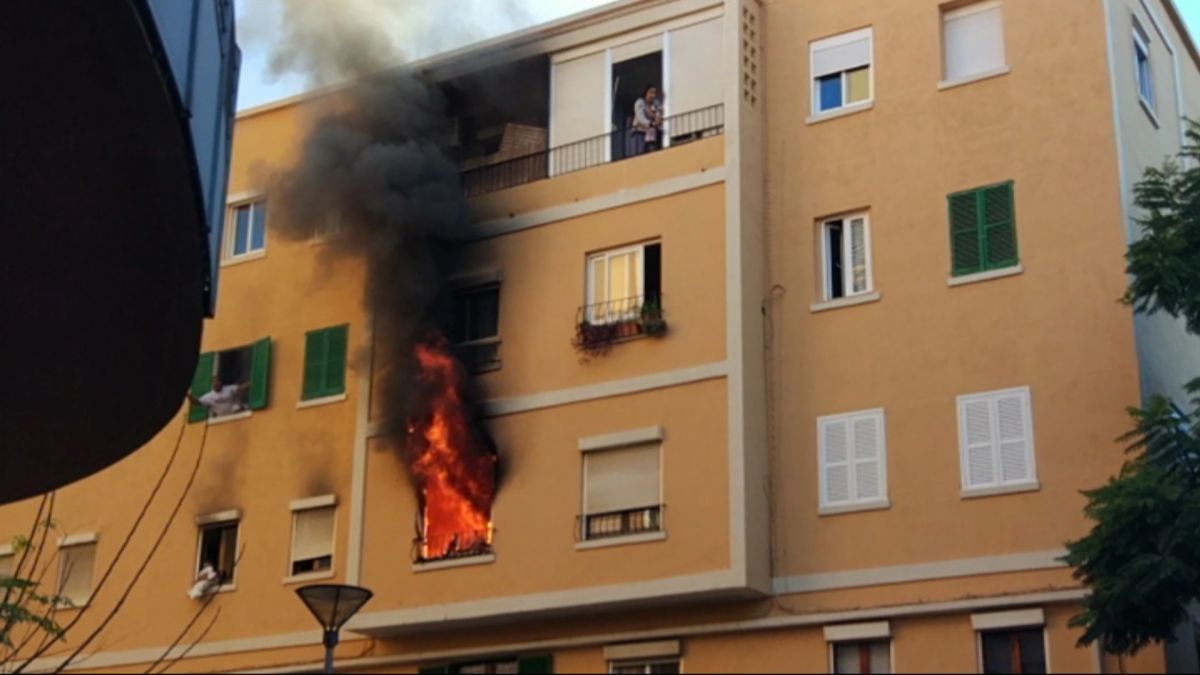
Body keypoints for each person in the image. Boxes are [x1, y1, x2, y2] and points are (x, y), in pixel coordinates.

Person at [631, 84, 664, 155]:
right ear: (646, 93)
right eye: (651, 93)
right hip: (639, 132)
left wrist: (658, 117)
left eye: (655, 93)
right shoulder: (640, 103)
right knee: (640, 154)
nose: (653, 95)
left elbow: (660, 112)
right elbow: (640, 118)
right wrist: (650, 123)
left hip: (651, 134)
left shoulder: (656, 103)